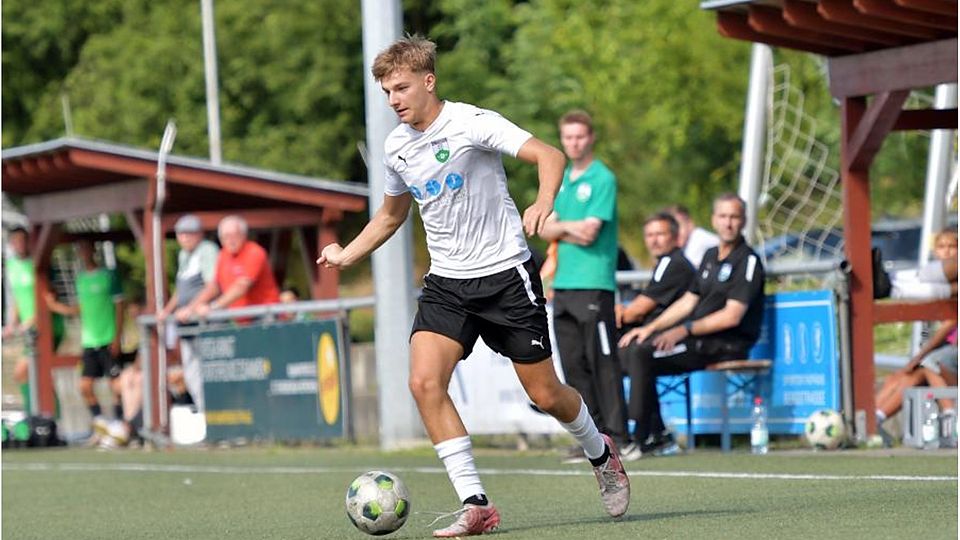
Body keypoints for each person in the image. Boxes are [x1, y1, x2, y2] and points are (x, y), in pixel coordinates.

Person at [317, 36, 629, 537]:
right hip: (447, 284)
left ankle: (601, 451)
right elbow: (393, 214)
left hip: (506, 275)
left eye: (401, 88)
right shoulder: (396, 146)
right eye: (386, 91)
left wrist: (544, 200)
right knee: (423, 383)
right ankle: (476, 503)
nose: (394, 99)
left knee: (546, 393)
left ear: (428, 81)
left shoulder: (472, 123)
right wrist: (346, 253)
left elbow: (550, 156)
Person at [619, 194, 765, 456]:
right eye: (723, 216)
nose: (728, 223)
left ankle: (639, 437)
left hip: (724, 344)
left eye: (734, 217)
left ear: (743, 221)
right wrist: (650, 329)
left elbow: (732, 316)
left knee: (642, 353)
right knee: (637, 346)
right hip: (697, 340)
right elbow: (688, 302)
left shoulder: (748, 260)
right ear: (713, 220)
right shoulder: (710, 255)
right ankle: (656, 434)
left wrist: (684, 330)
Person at [537, 110, 628, 462]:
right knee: (574, 367)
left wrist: (562, 227)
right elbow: (542, 227)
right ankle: (594, 439)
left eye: (579, 136)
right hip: (563, 285)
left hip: (594, 283)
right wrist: (565, 227)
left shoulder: (602, 177)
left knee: (604, 363)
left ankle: (620, 436)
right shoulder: (561, 181)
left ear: (591, 137)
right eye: (568, 137)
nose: (574, 143)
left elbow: (591, 234)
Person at [615, 213, 696, 459]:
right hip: (658, 339)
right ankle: (655, 432)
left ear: (676, 237)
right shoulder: (664, 263)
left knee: (636, 352)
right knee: (617, 351)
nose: (654, 240)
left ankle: (639, 433)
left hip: (682, 341)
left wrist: (621, 312)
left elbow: (639, 309)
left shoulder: (675, 263)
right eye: (650, 235)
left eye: (660, 234)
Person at [45, 239, 125, 436]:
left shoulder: (108, 276)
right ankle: (101, 424)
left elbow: (120, 306)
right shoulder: (80, 279)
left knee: (117, 385)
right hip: (89, 342)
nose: (83, 253)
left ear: (93, 251)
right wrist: (55, 307)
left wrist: (117, 336)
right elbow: (81, 308)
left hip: (107, 338)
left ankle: (119, 424)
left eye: (86, 248)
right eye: (80, 250)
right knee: (85, 386)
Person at [156, 214, 219, 411]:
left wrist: (190, 308)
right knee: (191, 373)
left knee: (210, 371)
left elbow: (212, 286)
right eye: (181, 234)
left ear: (200, 234)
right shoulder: (184, 255)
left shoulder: (208, 251)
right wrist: (167, 310)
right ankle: (204, 415)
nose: (184, 238)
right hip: (187, 326)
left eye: (189, 234)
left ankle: (215, 418)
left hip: (205, 323)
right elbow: (181, 290)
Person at [3, 226, 67, 412]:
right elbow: (17, 297)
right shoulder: (12, 266)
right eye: (15, 241)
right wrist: (12, 324)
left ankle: (42, 417)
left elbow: (48, 298)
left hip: (48, 326)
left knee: (23, 372)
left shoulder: (39, 264)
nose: (20, 245)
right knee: (35, 374)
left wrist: (31, 321)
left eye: (23, 240)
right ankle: (46, 416)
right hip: (30, 329)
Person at [177, 215, 280, 322]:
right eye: (225, 236)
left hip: (264, 316)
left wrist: (213, 307)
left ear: (244, 235)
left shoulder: (254, 251)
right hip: (242, 320)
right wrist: (191, 308)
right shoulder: (223, 255)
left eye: (234, 235)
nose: (230, 240)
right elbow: (214, 287)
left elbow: (241, 286)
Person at [890, 227, 958, 299]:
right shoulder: (927, 273)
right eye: (941, 247)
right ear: (935, 251)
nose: (946, 251)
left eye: (952, 246)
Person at [666, 204, 719, 268]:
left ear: (690, 224)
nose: (676, 232)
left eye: (678, 226)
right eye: (672, 229)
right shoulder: (686, 243)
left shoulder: (699, 239)